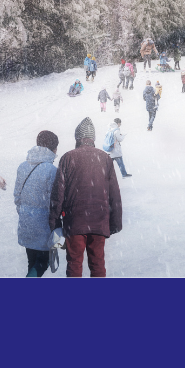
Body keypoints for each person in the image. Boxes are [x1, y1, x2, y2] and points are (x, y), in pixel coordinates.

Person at [48, 118, 123, 277]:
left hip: (74, 222)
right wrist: (115, 223)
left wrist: (55, 222)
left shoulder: (68, 158)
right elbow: (114, 194)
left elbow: (58, 194)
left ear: (77, 138)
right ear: (93, 138)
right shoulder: (105, 159)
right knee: (98, 264)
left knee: (74, 263)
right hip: (99, 221)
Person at [15, 130, 59, 277]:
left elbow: (17, 197)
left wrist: (26, 212)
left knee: (32, 261)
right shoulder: (51, 170)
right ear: (53, 148)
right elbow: (55, 202)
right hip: (43, 225)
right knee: (43, 261)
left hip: (25, 222)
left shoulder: (22, 166)